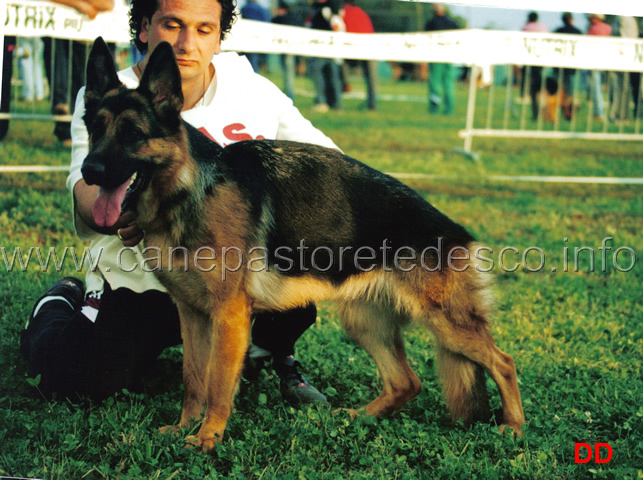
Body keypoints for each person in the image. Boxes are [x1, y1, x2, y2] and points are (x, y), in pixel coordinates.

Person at [21, 0, 335, 406]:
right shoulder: (109, 98)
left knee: (296, 285)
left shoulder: (253, 90)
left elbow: (329, 165)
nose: (188, 43)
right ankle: (61, 299)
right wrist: (129, 213)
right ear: (144, 28)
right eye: (173, 24)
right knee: (72, 381)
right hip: (139, 283)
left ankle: (268, 349)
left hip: (231, 276)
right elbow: (85, 192)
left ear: (219, 37)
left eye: (204, 30)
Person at [308, 0, 344, 112]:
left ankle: (322, 101)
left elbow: (336, 26)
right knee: (332, 76)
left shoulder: (325, 10)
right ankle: (336, 104)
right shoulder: (325, 9)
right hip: (330, 49)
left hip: (324, 48)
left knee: (317, 71)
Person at [340, 0, 377, 111]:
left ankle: (344, 89)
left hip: (351, 47)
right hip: (369, 47)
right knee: (371, 78)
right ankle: (372, 104)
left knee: (340, 66)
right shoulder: (363, 13)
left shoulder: (343, 12)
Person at [424, 3, 459, 115]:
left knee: (434, 84)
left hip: (436, 57)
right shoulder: (452, 23)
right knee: (448, 84)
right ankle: (449, 109)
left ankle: (434, 108)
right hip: (450, 57)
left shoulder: (431, 23)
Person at [608, 16, 639, 122]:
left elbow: (622, 36)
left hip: (621, 56)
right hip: (625, 56)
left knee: (619, 87)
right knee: (623, 87)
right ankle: (623, 115)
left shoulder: (623, 18)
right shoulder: (629, 19)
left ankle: (618, 115)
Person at [272, 1, 303, 101]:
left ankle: (289, 96)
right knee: (289, 73)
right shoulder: (296, 18)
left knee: (288, 74)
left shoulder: (281, 19)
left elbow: (273, 21)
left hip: (287, 48)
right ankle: (288, 95)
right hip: (296, 48)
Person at [520, 11, 548, 120]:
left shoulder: (526, 27)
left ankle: (525, 95)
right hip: (540, 58)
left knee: (527, 78)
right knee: (537, 80)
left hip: (528, 57)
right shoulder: (543, 27)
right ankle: (538, 96)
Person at [554, 12, 581, 120]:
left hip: (559, 67)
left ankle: (565, 111)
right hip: (572, 68)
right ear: (571, 20)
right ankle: (570, 112)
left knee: (561, 92)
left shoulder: (557, 32)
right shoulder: (578, 32)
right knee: (571, 92)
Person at [586, 13, 612, 122]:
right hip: (608, 60)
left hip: (595, 61)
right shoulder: (608, 28)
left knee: (596, 88)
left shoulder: (592, 29)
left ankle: (599, 112)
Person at [240, 0, 271, 73]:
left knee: (247, 59)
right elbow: (267, 22)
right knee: (254, 59)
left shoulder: (243, 8)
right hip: (258, 37)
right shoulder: (261, 9)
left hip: (245, 37)